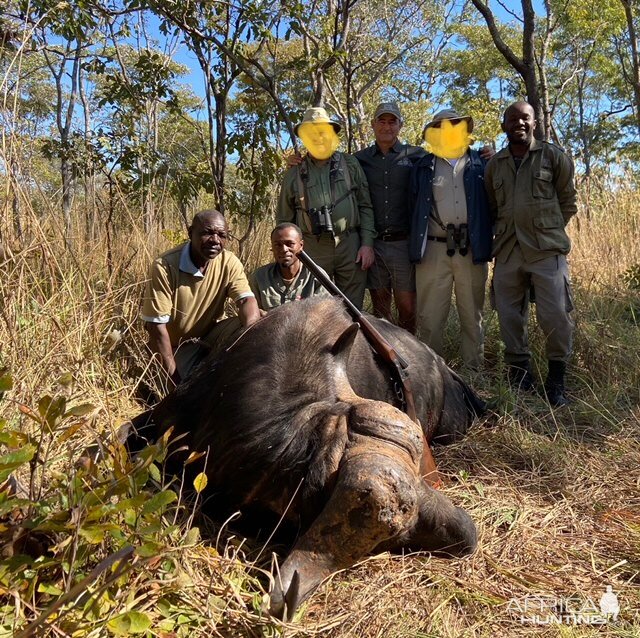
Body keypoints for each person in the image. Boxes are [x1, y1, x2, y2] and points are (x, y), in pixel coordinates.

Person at [484, 101, 577, 406]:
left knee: (555, 316)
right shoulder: (494, 165)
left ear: (534, 122)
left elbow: (567, 202)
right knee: (509, 317)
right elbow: (493, 206)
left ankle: (556, 379)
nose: (519, 123)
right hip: (509, 250)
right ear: (504, 125)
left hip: (545, 251)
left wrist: (546, 231)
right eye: (512, 119)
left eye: (525, 118)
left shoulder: (553, 156)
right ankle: (520, 374)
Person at [409, 109, 493, 370]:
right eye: (443, 128)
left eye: (455, 127)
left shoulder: (483, 162)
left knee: (472, 315)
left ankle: (473, 371)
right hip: (433, 248)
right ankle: (432, 374)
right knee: (430, 318)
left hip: (472, 248)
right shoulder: (423, 166)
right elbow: (412, 206)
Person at [141, 209, 261, 386]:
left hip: (208, 337)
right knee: (186, 389)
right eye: (207, 233)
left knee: (245, 323)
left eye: (222, 235)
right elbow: (156, 328)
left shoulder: (229, 261)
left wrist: (251, 335)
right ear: (190, 233)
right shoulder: (165, 265)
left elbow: (245, 300)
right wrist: (175, 384)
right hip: (177, 346)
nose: (215, 240)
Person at [277, 107, 376, 310]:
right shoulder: (294, 173)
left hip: (350, 247)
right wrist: (292, 253)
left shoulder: (350, 164)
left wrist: (367, 244)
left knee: (352, 310)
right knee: (314, 309)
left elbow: (365, 206)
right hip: (312, 248)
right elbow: (284, 221)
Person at [354, 102, 425, 332]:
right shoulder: (358, 160)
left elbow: (446, 160)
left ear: (400, 125)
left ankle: (410, 357)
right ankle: (385, 361)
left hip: (403, 244)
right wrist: (299, 160)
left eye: (392, 121)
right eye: (381, 121)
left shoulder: (416, 156)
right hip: (373, 244)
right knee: (380, 309)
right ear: (373, 125)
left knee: (407, 308)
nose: (386, 127)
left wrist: (486, 156)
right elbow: (330, 164)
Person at [249, 222, 330, 311]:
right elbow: (253, 315)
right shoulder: (259, 277)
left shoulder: (317, 276)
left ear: (301, 245)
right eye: (278, 245)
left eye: (290, 244)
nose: (284, 249)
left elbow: (323, 315)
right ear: (272, 247)